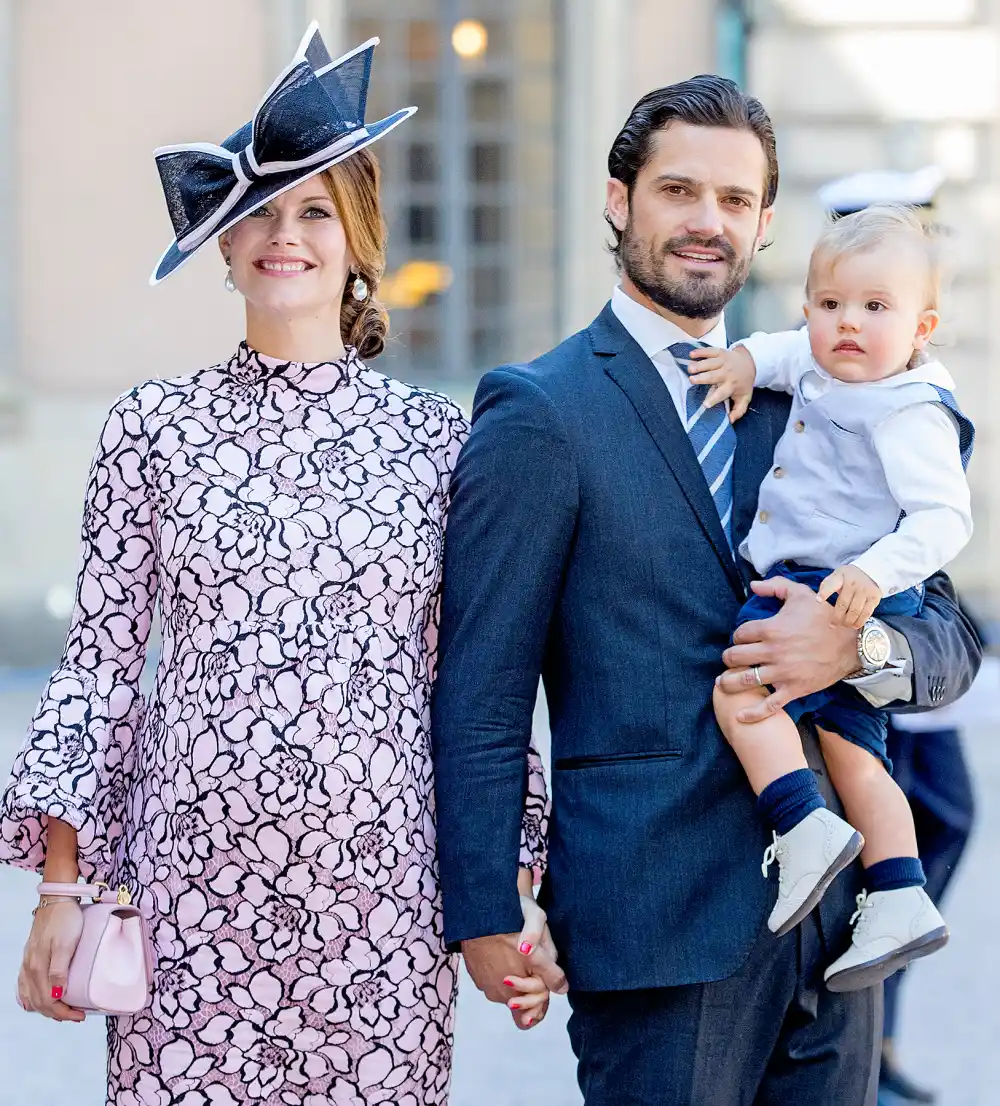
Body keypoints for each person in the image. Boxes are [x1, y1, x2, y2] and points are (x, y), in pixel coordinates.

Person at [0, 25, 563, 1106]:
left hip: (383, 897)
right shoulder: (151, 430)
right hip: (185, 896)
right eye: (257, 209)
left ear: (359, 240)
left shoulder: (438, 442)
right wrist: (60, 888)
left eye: (315, 209)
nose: (282, 234)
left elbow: (475, 687)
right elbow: (101, 668)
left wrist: (511, 890)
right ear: (220, 239)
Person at [431, 76, 982, 1105]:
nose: (705, 222)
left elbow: (949, 636)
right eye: (678, 190)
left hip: (840, 928)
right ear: (618, 199)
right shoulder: (540, 410)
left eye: (734, 201)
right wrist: (486, 902)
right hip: (654, 917)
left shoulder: (824, 390)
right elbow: (483, 687)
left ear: (766, 223)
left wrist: (856, 652)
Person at [692, 204, 973, 992]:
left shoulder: (908, 407)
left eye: (874, 309)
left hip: (839, 589)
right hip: (833, 586)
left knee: (742, 690)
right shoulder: (818, 360)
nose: (847, 324)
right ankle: (901, 891)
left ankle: (803, 825)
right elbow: (776, 353)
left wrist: (876, 574)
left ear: (922, 327)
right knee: (857, 756)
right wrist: (744, 362)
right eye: (829, 304)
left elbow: (946, 517)